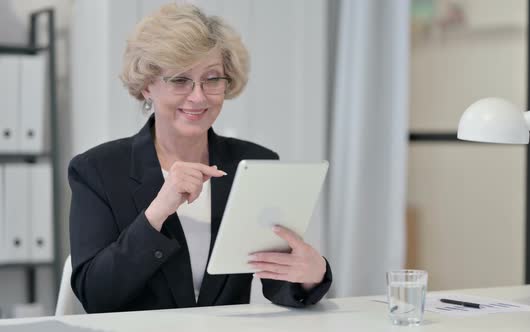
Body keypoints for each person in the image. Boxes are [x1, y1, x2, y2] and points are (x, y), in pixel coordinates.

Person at [68, 3, 332, 314]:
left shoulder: (254, 162)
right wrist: (157, 213)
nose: (198, 96)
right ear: (146, 86)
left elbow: (276, 278)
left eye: (212, 79)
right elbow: (96, 295)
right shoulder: (98, 169)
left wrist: (313, 276)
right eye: (180, 80)